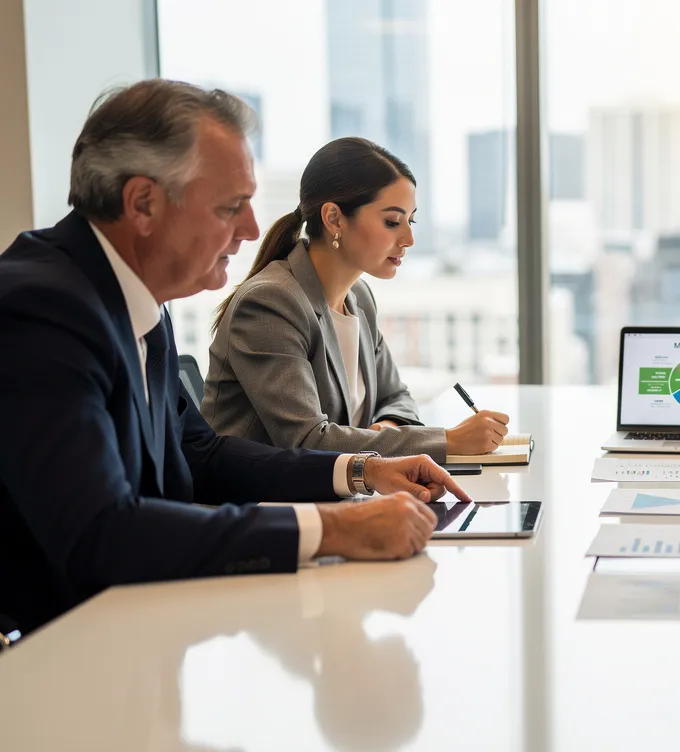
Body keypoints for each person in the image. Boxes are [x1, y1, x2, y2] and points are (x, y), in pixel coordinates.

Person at [0, 79, 471, 634]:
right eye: (231, 208)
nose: (251, 231)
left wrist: (362, 471)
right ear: (143, 203)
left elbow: (200, 455)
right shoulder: (42, 309)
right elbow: (101, 534)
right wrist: (333, 530)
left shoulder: (139, 300)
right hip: (61, 661)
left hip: (139, 633)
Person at [203, 137, 509, 460]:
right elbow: (307, 442)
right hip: (260, 503)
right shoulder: (271, 303)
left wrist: (381, 432)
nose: (408, 239)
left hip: (338, 498)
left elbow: (397, 397)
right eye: (392, 222)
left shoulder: (358, 298)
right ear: (334, 218)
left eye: (411, 220)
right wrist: (448, 441)